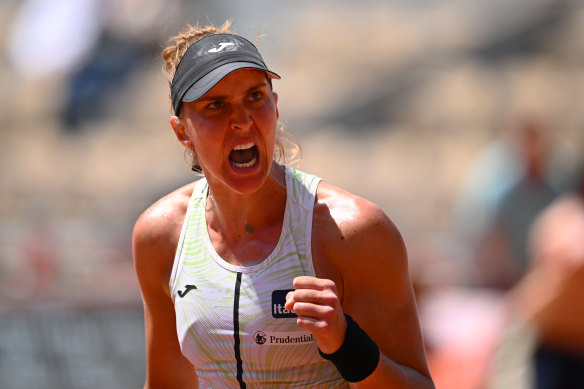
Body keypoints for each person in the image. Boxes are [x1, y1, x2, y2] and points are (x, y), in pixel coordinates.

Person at [132, 21, 434, 389]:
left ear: (275, 106)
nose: (242, 121)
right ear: (182, 132)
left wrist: (346, 344)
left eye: (255, 97)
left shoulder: (353, 232)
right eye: (216, 105)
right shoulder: (161, 235)